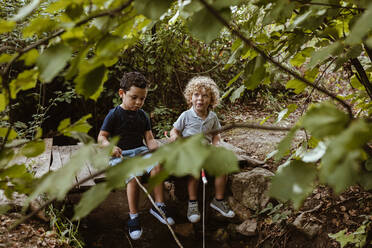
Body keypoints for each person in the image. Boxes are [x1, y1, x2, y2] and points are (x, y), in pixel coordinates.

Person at [98, 72, 175, 240]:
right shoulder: (114, 114)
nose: (139, 102)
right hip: (120, 155)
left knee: (157, 164)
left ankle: (158, 206)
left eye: (142, 98)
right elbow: (101, 137)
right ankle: (134, 216)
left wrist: (156, 148)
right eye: (134, 97)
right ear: (121, 94)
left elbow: (149, 139)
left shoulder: (143, 115)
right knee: (134, 176)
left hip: (139, 151)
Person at [169, 76, 235, 223]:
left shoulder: (212, 117)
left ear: (211, 99)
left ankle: (218, 200)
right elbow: (174, 131)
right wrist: (175, 138)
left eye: (205, 96)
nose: (200, 99)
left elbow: (216, 135)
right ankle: (193, 203)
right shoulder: (186, 115)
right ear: (190, 97)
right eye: (196, 95)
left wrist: (216, 145)